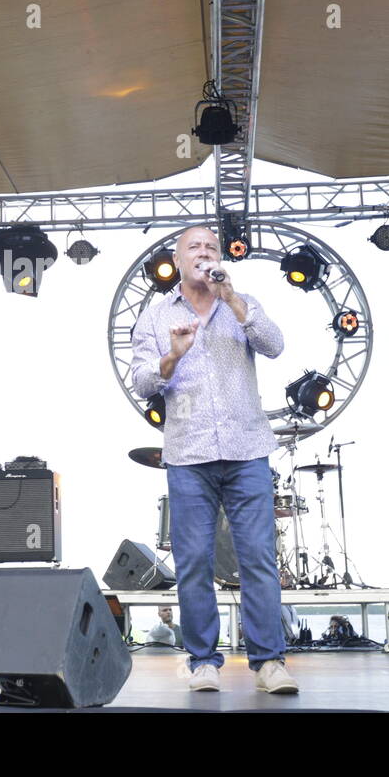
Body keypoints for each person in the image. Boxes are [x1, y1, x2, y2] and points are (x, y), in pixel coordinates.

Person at [130, 225, 297, 695]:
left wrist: (233, 299)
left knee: (259, 560)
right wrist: (173, 357)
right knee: (193, 563)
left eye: (212, 247)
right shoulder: (155, 317)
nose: (204, 253)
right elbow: (141, 381)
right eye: (194, 248)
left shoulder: (241, 303)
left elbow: (275, 344)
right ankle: (203, 660)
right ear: (178, 262)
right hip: (188, 452)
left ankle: (269, 663)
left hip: (247, 448)